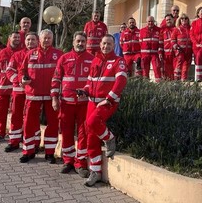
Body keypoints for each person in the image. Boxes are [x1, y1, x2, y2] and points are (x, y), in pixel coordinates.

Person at [77, 35, 128, 187]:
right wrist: (84, 91)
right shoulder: (96, 60)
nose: (106, 46)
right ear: (100, 44)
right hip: (92, 102)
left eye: (109, 44)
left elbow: (121, 81)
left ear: (114, 45)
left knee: (92, 122)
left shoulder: (119, 61)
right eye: (104, 43)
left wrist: (110, 98)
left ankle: (110, 138)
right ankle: (96, 171)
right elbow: (89, 81)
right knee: (90, 135)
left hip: (108, 102)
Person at [51, 31, 94, 177]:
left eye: (83, 41)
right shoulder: (64, 58)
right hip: (66, 103)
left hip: (84, 104)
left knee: (83, 133)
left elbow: (94, 81)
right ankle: (68, 161)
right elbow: (56, 80)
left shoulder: (92, 59)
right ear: (73, 42)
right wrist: (54, 98)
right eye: (78, 41)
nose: (80, 43)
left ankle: (80, 163)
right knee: (67, 131)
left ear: (86, 42)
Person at [19, 29, 63, 163]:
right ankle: (28, 151)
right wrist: (22, 79)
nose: (47, 40)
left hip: (51, 95)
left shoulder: (59, 54)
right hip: (33, 95)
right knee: (29, 124)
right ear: (40, 39)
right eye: (45, 38)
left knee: (53, 123)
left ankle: (50, 153)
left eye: (49, 38)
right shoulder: (31, 54)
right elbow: (22, 70)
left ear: (52, 39)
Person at [4, 32, 38, 152]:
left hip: (34, 93)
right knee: (16, 116)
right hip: (19, 92)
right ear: (25, 41)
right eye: (28, 40)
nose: (30, 42)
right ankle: (14, 142)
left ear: (37, 41)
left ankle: (34, 143)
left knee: (32, 118)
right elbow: (9, 71)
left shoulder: (41, 55)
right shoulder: (17, 55)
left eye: (33, 40)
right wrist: (19, 81)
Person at [0, 32, 22, 143]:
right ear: (9, 38)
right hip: (3, 86)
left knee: (16, 112)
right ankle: (0, 133)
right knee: (0, 111)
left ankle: (14, 134)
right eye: (15, 37)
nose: (17, 39)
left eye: (18, 37)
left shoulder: (22, 52)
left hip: (16, 87)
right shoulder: (3, 52)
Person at [139, 16, 163, 81]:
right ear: (146, 22)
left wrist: (160, 52)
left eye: (152, 21)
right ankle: (146, 85)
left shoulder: (159, 30)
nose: (150, 23)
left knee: (157, 69)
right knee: (145, 71)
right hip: (144, 54)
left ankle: (158, 85)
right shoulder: (142, 31)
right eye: (149, 21)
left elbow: (160, 43)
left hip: (154, 54)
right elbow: (140, 43)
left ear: (154, 21)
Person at [171, 14, 193, 81]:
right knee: (179, 65)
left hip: (189, 51)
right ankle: (176, 80)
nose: (184, 20)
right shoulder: (177, 29)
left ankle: (184, 80)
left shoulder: (191, 28)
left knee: (186, 66)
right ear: (180, 20)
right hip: (180, 50)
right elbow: (173, 40)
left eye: (186, 18)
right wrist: (176, 47)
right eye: (182, 18)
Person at [190, 7, 202, 81]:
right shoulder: (194, 23)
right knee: (197, 61)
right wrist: (196, 43)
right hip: (196, 46)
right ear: (198, 13)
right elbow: (191, 35)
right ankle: (200, 75)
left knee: (200, 56)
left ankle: (199, 77)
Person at [160, 14, 176, 79]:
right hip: (165, 55)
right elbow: (160, 43)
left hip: (175, 54)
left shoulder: (176, 29)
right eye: (167, 20)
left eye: (170, 19)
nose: (168, 21)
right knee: (166, 74)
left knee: (175, 73)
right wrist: (160, 53)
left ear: (173, 20)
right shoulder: (163, 30)